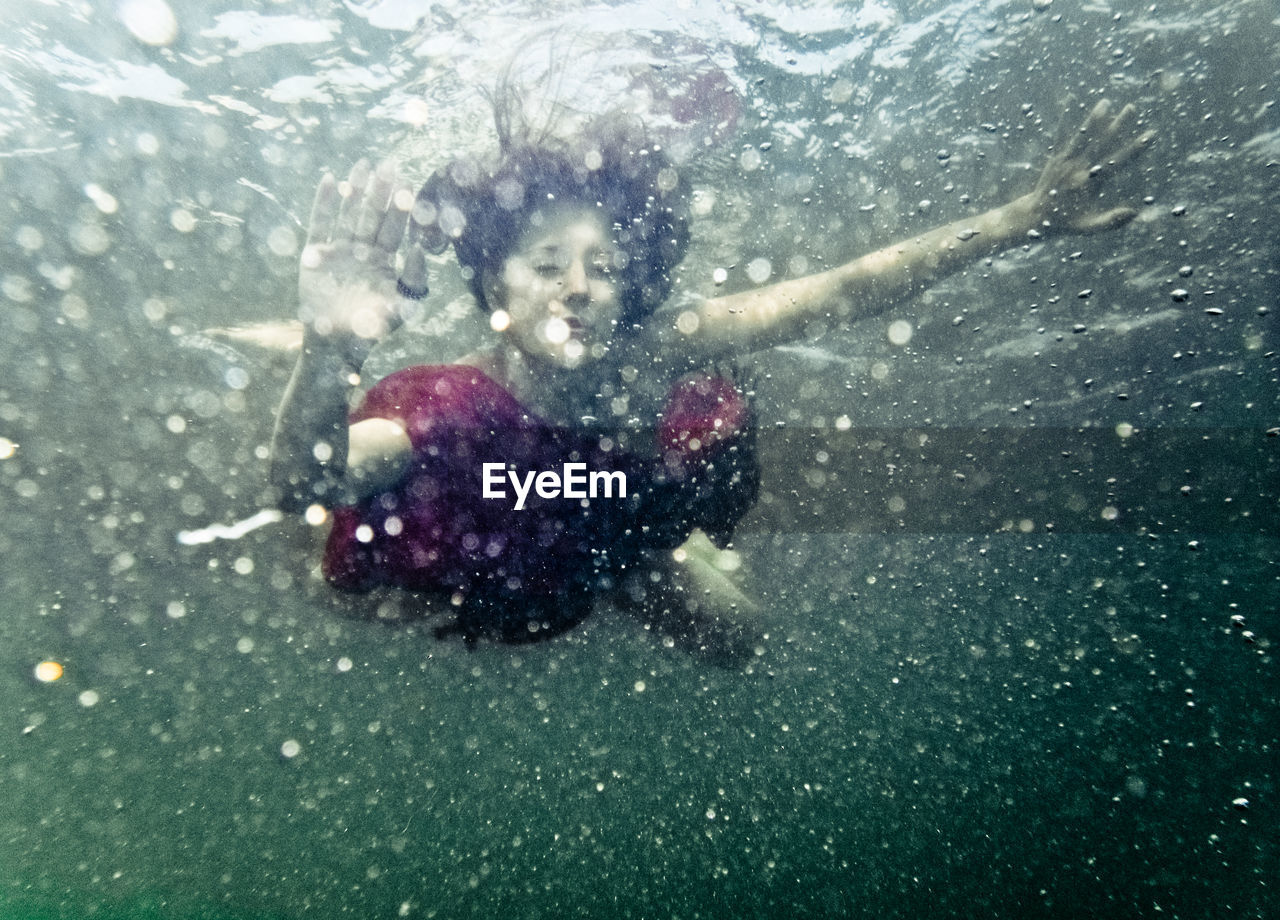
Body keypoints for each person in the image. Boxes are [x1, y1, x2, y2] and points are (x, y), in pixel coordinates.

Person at [269, 91, 1152, 655]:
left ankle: (665, 542)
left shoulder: (655, 346)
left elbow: (842, 292)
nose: (578, 288)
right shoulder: (450, 404)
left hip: (597, 540)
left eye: (605, 268)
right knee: (338, 583)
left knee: (738, 642)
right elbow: (304, 481)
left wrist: (1022, 219)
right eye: (546, 263)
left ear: (635, 284)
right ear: (495, 280)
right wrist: (327, 349)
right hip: (468, 549)